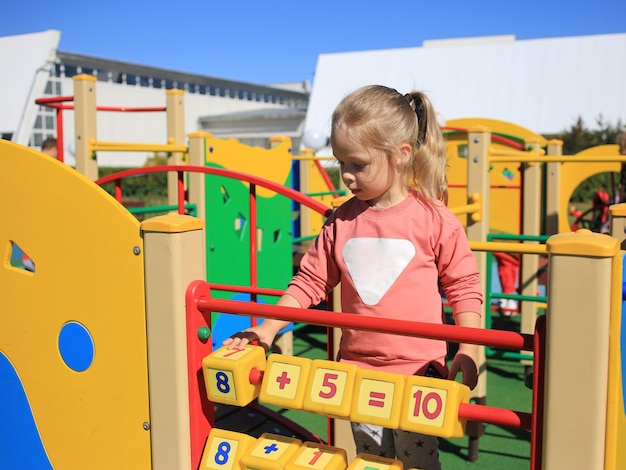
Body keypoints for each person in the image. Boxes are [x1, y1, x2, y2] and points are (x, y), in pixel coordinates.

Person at [224, 85, 483, 469]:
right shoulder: (341, 222)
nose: (346, 176)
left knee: (419, 462)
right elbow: (309, 282)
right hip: (358, 375)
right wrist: (267, 329)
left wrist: (469, 347)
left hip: (418, 374)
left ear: (401, 155)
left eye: (358, 165)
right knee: (371, 461)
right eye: (340, 163)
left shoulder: (433, 220)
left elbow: (463, 286)